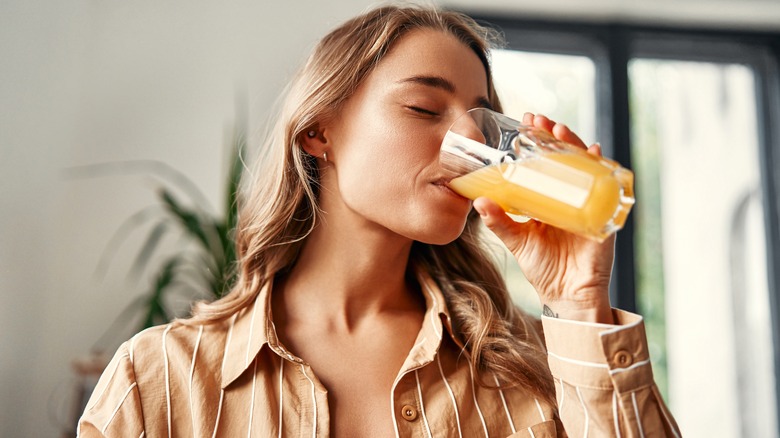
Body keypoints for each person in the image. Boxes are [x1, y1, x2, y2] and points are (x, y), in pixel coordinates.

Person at [78, 4, 681, 437]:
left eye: (481, 117)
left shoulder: (535, 370)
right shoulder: (156, 379)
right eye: (423, 107)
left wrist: (580, 303)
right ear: (319, 130)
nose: (468, 138)